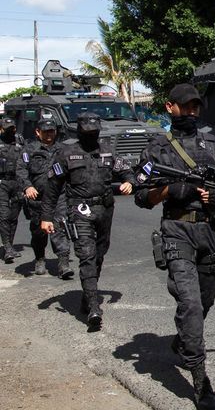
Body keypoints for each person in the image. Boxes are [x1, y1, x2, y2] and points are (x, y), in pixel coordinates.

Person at [134, 83, 215, 410]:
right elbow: (141, 196)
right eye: (186, 107)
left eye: (196, 107)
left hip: (211, 232)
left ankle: (183, 342)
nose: (192, 112)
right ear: (170, 107)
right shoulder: (156, 149)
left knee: (203, 302)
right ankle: (200, 379)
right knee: (190, 304)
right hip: (177, 230)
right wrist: (169, 189)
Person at [40, 113, 134, 329]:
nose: (92, 135)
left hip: (105, 208)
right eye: (87, 132)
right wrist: (46, 217)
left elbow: (126, 169)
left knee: (100, 253)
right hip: (80, 209)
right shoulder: (66, 153)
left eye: (95, 132)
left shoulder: (107, 150)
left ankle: (87, 293)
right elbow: (52, 189)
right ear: (80, 131)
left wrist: (129, 182)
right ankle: (93, 307)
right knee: (86, 254)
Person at [18, 118, 73, 277]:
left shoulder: (63, 150)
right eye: (46, 131)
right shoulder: (29, 150)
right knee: (38, 232)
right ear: (37, 132)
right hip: (38, 199)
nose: (49, 134)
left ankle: (63, 263)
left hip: (59, 197)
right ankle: (40, 258)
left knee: (60, 228)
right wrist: (27, 186)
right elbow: (21, 170)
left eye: (52, 131)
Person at [0, 117, 24, 263]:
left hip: (17, 182)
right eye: (7, 129)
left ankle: (11, 245)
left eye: (12, 128)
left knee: (14, 217)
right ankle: (7, 247)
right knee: (4, 216)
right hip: (1, 182)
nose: (10, 131)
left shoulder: (20, 141)